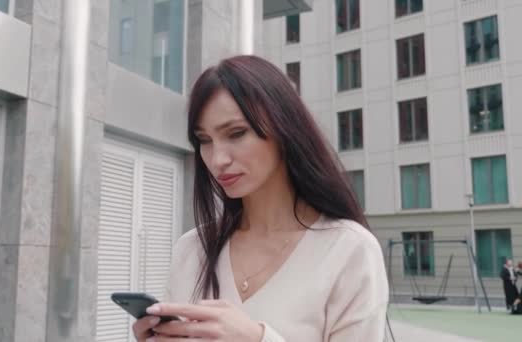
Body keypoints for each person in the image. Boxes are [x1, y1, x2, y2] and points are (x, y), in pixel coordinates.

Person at [132, 55, 389, 341]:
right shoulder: (192, 249)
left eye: (236, 133)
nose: (218, 159)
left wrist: (257, 338)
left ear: (284, 129)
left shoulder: (349, 250)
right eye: (204, 140)